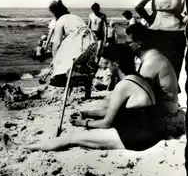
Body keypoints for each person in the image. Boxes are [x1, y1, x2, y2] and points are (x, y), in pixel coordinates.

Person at [23, 44, 162, 152]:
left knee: (73, 136)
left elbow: (106, 123)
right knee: (89, 126)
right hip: (150, 132)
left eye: (107, 64)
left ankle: (24, 147)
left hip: (136, 140)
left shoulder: (124, 85)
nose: (106, 68)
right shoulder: (139, 78)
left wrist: (83, 122)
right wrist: (86, 114)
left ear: (117, 63)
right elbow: (112, 110)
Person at [125, 23, 184, 139]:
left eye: (128, 42)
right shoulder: (153, 56)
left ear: (139, 44)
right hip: (167, 106)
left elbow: (139, 95)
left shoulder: (150, 63)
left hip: (164, 113)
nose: (125, 45)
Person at [135, 0, 188, 80]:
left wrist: (149, 19)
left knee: (152, 68)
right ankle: (172, 95)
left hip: (157, 29)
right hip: (177, 31)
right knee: (174, 70)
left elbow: (138, 6)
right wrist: (183, 19)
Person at [39, 0, 98, 99]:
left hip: (77, 38)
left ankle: (66, 96)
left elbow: (56, 43)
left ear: (55, 13)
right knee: (85, 67)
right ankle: (87, 94)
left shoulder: (59, 21)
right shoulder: (75, 17)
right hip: (91, 38)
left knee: (67, 69)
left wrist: (55, 60)